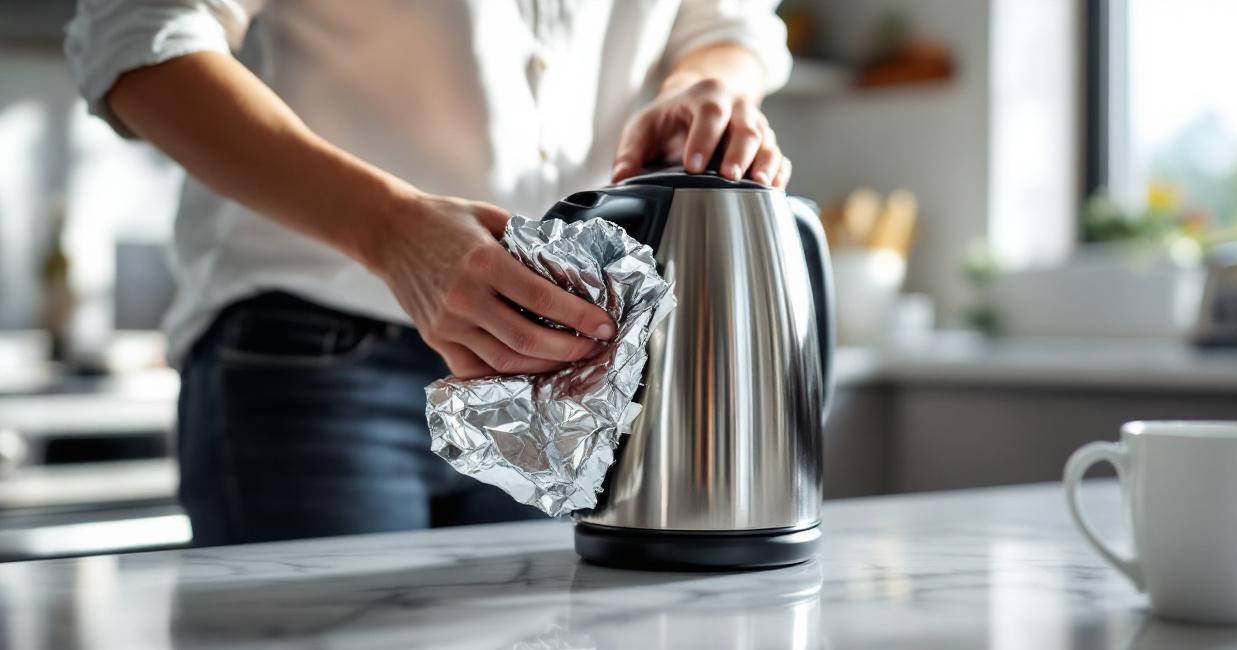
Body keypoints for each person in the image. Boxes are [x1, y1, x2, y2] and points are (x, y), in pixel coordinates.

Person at [65, 1, 793, 546]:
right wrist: (389, 228)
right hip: (311, 359)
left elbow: (727, 25)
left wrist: (706, 83)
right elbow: (136, 40)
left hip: (555, 369)